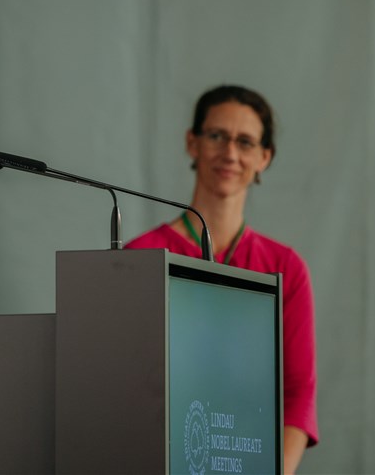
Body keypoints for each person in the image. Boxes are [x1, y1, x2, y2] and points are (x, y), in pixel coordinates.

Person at [126, 85, 318, 473]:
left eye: (245, 142)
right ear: (192, 142)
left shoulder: (286, 266)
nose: (230, 153)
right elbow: (120, 383)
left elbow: (298, 393)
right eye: (217, 136)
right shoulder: (139, 257)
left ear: (265, 157)